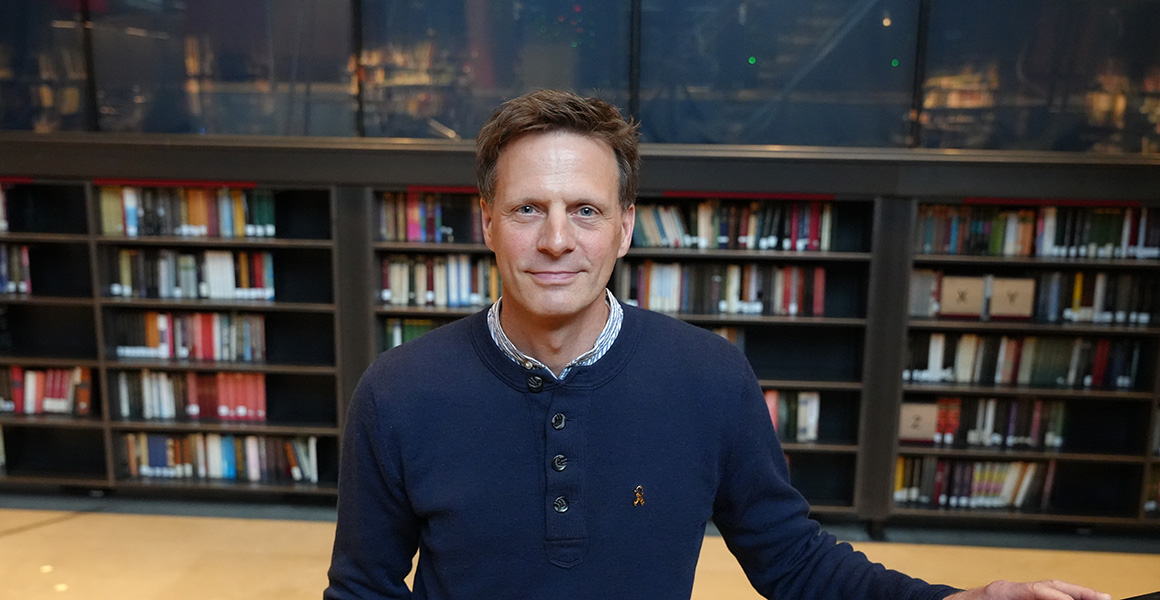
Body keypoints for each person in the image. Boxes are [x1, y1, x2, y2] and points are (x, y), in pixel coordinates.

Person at [324, 89, 1112, 600]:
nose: (557, 239)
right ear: (487, 222)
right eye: (529, 209)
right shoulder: (398, 391)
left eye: (586, 211)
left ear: (625, 228)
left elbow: (792, 559)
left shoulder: (709, 377)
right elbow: (363, 589)